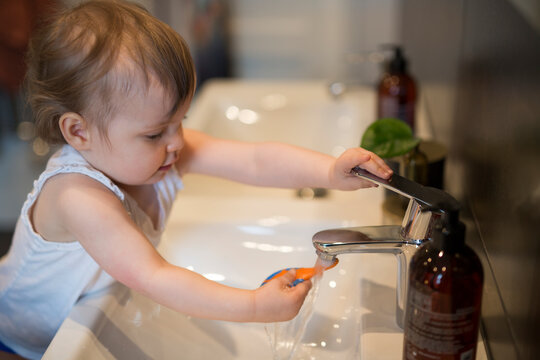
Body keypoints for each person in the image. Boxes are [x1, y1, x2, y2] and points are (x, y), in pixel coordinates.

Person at [0, 1, 393, 358]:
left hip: (72, 321)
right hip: (19, 338)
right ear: (78, 133)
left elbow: (255, 160)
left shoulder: (159, 153)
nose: (176, 143)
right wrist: (254, 306)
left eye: (180, 122)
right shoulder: (77, 196)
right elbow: (155, 277)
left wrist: (329, 171)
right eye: (155, 133)